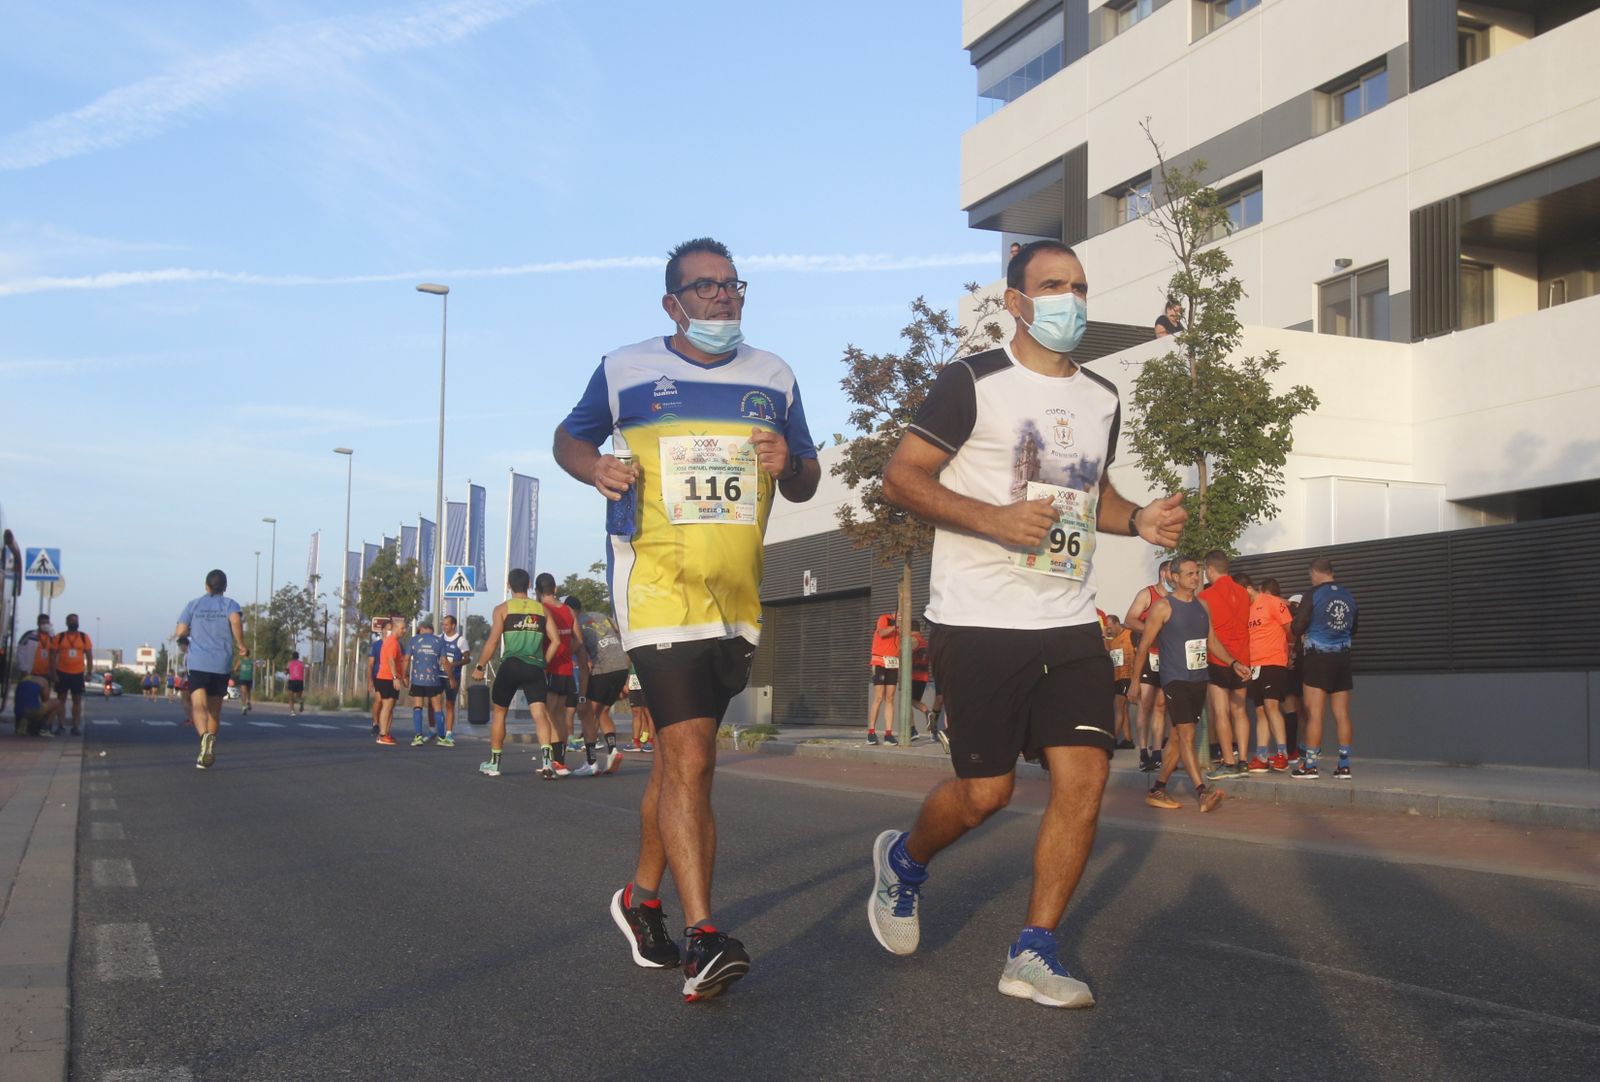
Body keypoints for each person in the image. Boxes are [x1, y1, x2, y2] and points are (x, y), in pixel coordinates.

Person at [867, 239, 1187, 1009]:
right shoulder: (970, 381)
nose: (1069, 299)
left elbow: (1092, 493)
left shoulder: (1103, 395)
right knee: (985, 793)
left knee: (1085, 776)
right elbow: (901, 477)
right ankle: (904, 864)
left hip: (1068, 619)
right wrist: (992, 519)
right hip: (977, 618)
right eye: (1051, 285)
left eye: (1078, 286)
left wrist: (1137, 516)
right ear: (1015, 301)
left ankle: (1033, 949)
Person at [554, 236, 820, 1003]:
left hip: (736, 595)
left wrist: (787, 465)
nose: (723, 298)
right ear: (672, 303)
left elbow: (805, 478)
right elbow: (568, 437)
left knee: (680, 760)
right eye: (705, 289)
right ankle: (705, 936)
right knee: (694, 755)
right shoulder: (624, 368)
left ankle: (641, 898)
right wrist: (593, 466)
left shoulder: (775, 375)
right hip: (656, 584)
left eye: (732, 285)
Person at [1134, 556, 1244, 812]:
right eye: (1190, 574)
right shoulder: (1163, 607)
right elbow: (1143, 646)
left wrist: (1233, 662)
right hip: (1175, 679)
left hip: (1199, 679)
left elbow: (1212, 642)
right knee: (1187, 735)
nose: (1196, 578)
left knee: (1176, 738)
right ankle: (1202, 791)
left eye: (1197, 573)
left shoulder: (1202, 607)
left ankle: (1158, 789)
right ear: (1174, 577)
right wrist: (1136, 683)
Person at [471, 569, 559, 777]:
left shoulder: (502, 609)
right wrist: (543, 662)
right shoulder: (542, 610)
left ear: (509, 586)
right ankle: (547, 762)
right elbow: (556, 640)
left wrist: (480, 667)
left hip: (511, 666)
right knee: (539, 714)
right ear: (529, 584)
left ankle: (495, 763)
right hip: (534, 666)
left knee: (500, 713)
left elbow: (493, 641)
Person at [1291, 558, 1359, 779]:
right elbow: (1354, 626)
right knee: (1342, 714)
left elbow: (1297, 626)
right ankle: (1344, 765)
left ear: (1314, 573)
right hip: (1342, 657)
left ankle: (1310, 765)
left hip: (1317, 658)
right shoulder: (1348, 595)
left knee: (1315, 713)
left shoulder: (1313, 593)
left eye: (1310, 575)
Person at [173, 570, 247, 770]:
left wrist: (183, 641)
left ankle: (204, 738)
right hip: (221, 663)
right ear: (225, 587)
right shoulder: (230, 604)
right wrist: (241, 644)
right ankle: (209, 747)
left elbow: (180, 631)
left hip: (198, 662)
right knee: (214, 710)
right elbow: (235, 621)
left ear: (206, 586)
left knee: (198, 705)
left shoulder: (194, 604)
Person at [1200, 550, 1252, 778]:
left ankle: (1229, 762)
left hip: (1218, 657)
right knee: (1240, 711)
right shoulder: (1244, 593)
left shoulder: (1205, 597)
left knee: (1220, 712)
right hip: (1243, 657)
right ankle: (1243, 761)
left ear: (1210, 569)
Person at [1123, 560, 1173, 773]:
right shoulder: (1147, 594)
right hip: (1148, 655)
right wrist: (1150, 630)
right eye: (1173, 573)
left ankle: (1157, 752)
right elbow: (1129, 619)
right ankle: (1143, 750)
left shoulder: (1176, 598)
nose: (1175, 577)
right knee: (1146, 704)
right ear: (1163, 573)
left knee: (1161, 706)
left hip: (1168, 657)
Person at [536, 573, 587, 775]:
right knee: (559, 716)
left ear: (539, 592)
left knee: (548, 716)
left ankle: (551, 762)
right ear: (555, 589)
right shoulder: (568, 610)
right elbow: (579, 640)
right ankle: (560, 761)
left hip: (550, 669)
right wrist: (566, 651)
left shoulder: (542, 610)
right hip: (566, 670)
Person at [572, 595, 628, 775]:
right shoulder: (602, 616)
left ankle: (591, 762)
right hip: (621, 667)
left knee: (587, 714)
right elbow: (621, 634)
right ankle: (612, 751)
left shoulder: (576, 625)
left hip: (603, 669)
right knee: (603, 712)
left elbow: (584, 661)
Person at [1244, 577, 1293, 772]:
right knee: (1260, 710)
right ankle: (1262, 756)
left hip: (1273, 661)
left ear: (1249, 589)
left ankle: (1283, 754)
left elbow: (1290, 629)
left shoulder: (1272, 602)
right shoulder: (1245, 610)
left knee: (1272, 706)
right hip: (1254, 665)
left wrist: (1289, 650)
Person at [406, 620, 449, 746]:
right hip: (434, 679)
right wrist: (450, 678)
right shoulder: (439, 641)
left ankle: (418, 736)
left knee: (418, 706)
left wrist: (404, 674)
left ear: (422, 628)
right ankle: (441, 738)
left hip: (417, 678)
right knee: (437, 707)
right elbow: (444, 660)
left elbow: (406, 658)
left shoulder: (414, 640)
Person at [52, 614, 92, 736]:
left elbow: (89, 656)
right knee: (61, 700)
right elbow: (53, 656)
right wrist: (53, 673)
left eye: (76, 621)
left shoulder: (84, 637)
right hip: (62, 672)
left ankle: (76, 726)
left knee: (77, 700)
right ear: (67, 622)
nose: (74, 623)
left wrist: (89, 672)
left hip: (78, 673)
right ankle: (61, 725)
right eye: (71, 621)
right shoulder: (60, 637)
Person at [370, 619, 407, 746]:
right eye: (402, 628)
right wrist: (395, 678)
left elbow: (399, 662)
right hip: (386, 678)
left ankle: (386, 732)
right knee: (387, 706)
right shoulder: (392, 642)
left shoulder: (395, 643)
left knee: (390, 707)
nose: (404, 631)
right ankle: (382, 734)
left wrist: (402, 676)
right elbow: (391, 660)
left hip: (388, 677)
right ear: (396, 628)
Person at [866, 613, 900, 745]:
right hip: (880, 661)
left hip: (893, 663)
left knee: (890, 698)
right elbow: (881, 633)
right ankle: (871, 732)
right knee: (879, 697)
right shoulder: (885, 618)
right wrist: (895, 626)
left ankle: (888, 733)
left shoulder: (902, 625)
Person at [1103, 614, 1135, 749]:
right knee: (1123, 710)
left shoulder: (1129, 635)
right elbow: (1106, 650)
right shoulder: (1112, 640)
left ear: (1117, 624)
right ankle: (1128, 739)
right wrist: (1104, 636)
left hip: (1127, 676)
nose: (1109, 631)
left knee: (1119, 709)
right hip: (1116, 677)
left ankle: (1112, 739)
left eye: (1110, 627)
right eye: (1107, 628)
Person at [439, 613, 470, 739]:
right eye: (443, 624)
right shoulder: (439, 638)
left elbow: (468, 658)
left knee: (449, 703)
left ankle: (449, 733)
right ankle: (433, 729)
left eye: (446, 624)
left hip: (453, 677)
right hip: (438, 676)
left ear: (453, 625)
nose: (444, 627)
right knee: (434, 702)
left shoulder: (461, 640)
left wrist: (454, 664)